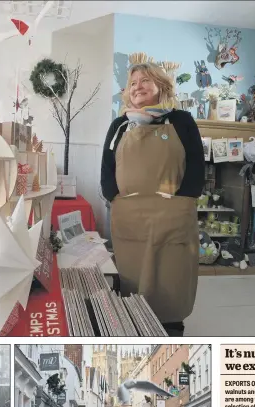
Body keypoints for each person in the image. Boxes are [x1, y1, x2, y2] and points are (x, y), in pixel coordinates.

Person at [100, 62, 205, 337]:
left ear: (162, 86)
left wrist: (186, 199)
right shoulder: (119, 125)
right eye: (133, 83)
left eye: (145, 80)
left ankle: (171, 327)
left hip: (172, 214)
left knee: (172, 273)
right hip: (130, 216)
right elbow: (107, 167)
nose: (138, 87)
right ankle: (135, 322)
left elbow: (196, 164)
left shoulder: (181, 121)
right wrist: (113, 196)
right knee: (132, 273)